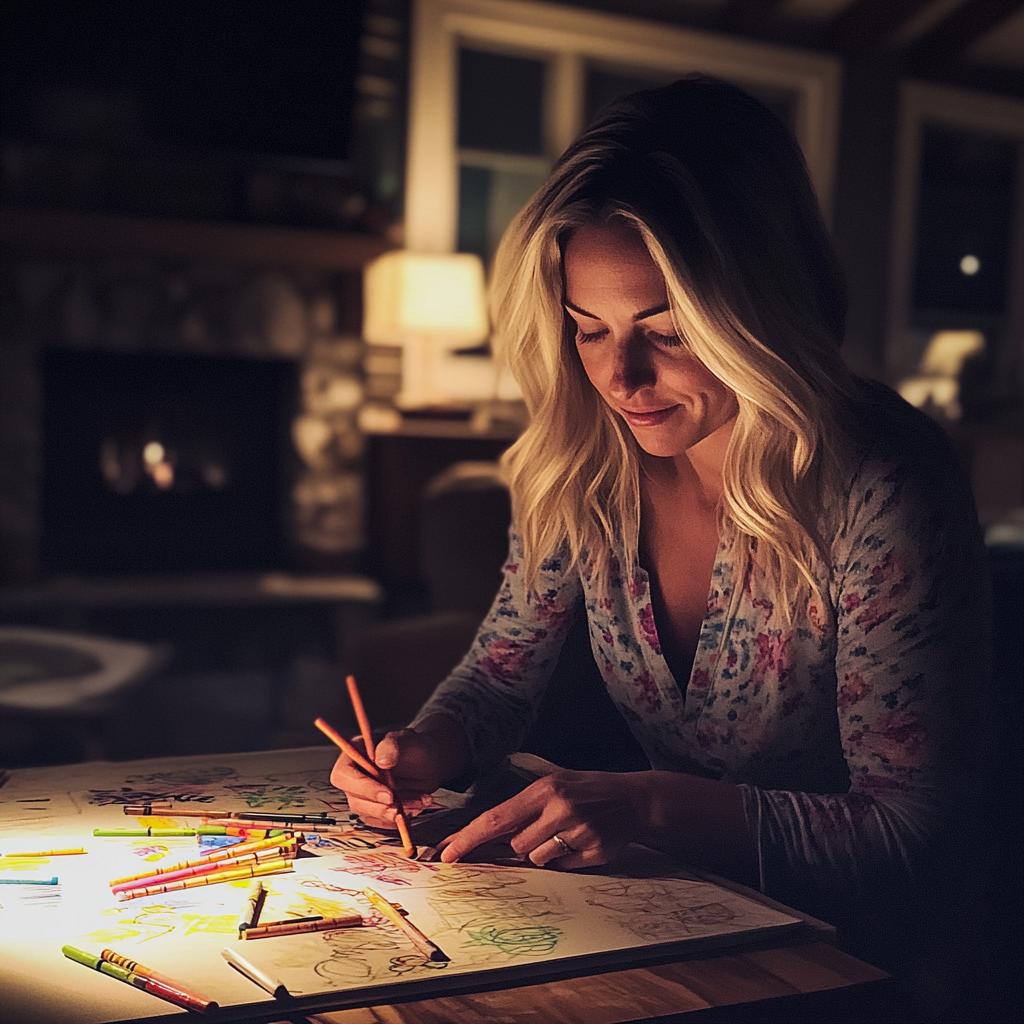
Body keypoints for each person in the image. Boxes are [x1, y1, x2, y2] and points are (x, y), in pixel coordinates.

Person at [331, 77, 989, 970]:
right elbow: (497, 678)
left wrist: (645, 806)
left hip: (842, 955)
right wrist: (424, 747)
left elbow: (914, 835)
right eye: (585, 327)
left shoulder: (880, 479)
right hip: (664, 922)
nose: (620, 377)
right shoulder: (584, 456)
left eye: (668, 330)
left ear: (760, 310)